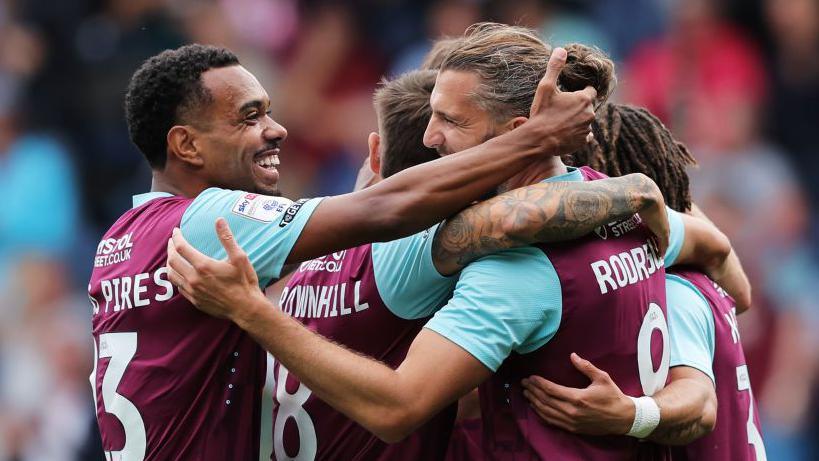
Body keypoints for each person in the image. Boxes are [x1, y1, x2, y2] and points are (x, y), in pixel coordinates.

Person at [166, 24, 741, 460]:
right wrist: (636, 415)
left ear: (519, 137)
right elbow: (722, 266)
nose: (430, 135)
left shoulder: (510, 268)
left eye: (451, 120)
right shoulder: (630, 215)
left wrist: (250, 311)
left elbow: (398, 407)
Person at [88, 42, 599, 460]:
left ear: (375, 154)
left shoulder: (121, 239)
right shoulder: (206, 222)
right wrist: (546, 145)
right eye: (248, 117)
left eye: (268, 111)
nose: (277, 129)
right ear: (187, 147)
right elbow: (387, 211)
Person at [269, 60, 668, 459]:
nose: (431, 135)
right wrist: (639, 190)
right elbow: (505, 221)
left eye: (450, 120)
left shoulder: (310, 251)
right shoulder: (620, 215)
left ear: (375, 153)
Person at [522, 103, 765, 460]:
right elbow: (741, 294)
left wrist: (629, 414)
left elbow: (700, 405)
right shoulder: (689, 272)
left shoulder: (672, 290)